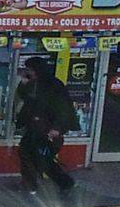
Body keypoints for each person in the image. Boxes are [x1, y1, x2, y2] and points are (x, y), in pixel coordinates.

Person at [15, 55, 81, 199]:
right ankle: (31, 185)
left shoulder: (53, 85)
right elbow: (25, 97)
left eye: (30, 69)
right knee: (28, 153)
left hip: (48, 129)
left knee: (42, 159)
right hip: (34, 127)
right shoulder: (33, 83)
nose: (28, 72)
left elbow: (63, 108)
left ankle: (64, 183)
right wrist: (25, 83)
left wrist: (56, 128)